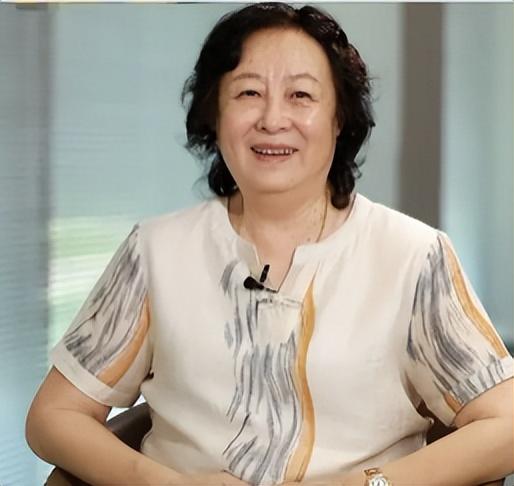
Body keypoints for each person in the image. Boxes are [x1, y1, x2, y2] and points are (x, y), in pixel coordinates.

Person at [26, 3, 513, 486]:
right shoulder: (156, 250)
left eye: (301, 95)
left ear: (339, 118)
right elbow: (53, 415)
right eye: (248, 93)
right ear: (215, 114)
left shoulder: (412, 255)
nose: (273, 119)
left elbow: (506, 423)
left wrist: (369, 485)